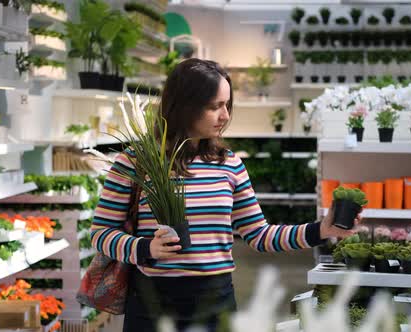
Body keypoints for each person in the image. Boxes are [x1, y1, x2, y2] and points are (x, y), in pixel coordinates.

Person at [90, 58, 361, 332]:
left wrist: (320, 230)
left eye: (227, 105)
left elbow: (259, 235)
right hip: (151, 306)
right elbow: (100, 233)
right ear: (184, 107)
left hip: (215, 306)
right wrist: (145, 248)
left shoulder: (229, 164)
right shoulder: (136, 162)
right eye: (214, 107)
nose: (225, 116)